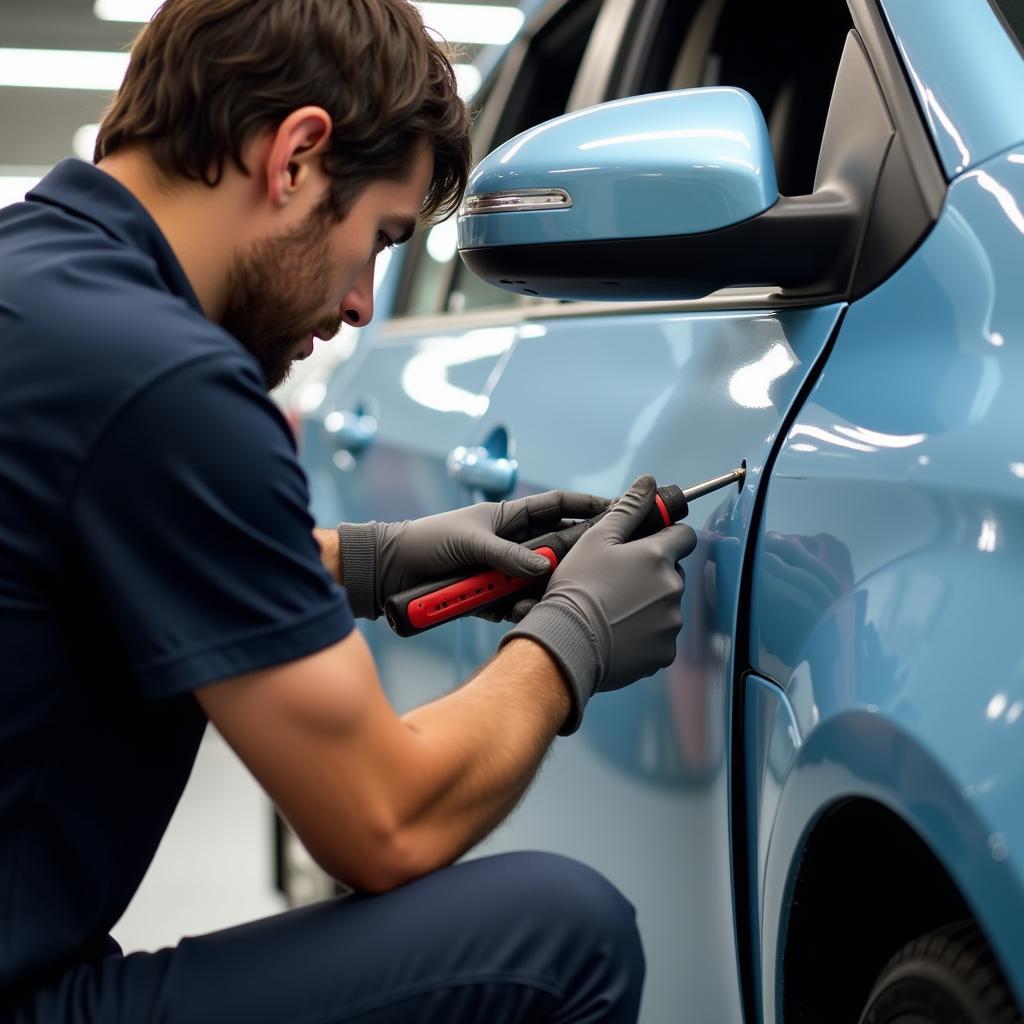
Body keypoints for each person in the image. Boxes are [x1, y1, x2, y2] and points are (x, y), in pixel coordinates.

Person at [0, 1, 697, 1020]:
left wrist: (371, 558)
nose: (365, 302)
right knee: (561, 937)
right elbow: (384, 823)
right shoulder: (166, 382)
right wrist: (569, 641)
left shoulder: (40, 283)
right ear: (295, 158)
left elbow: (92, 545)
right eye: (380, 236)